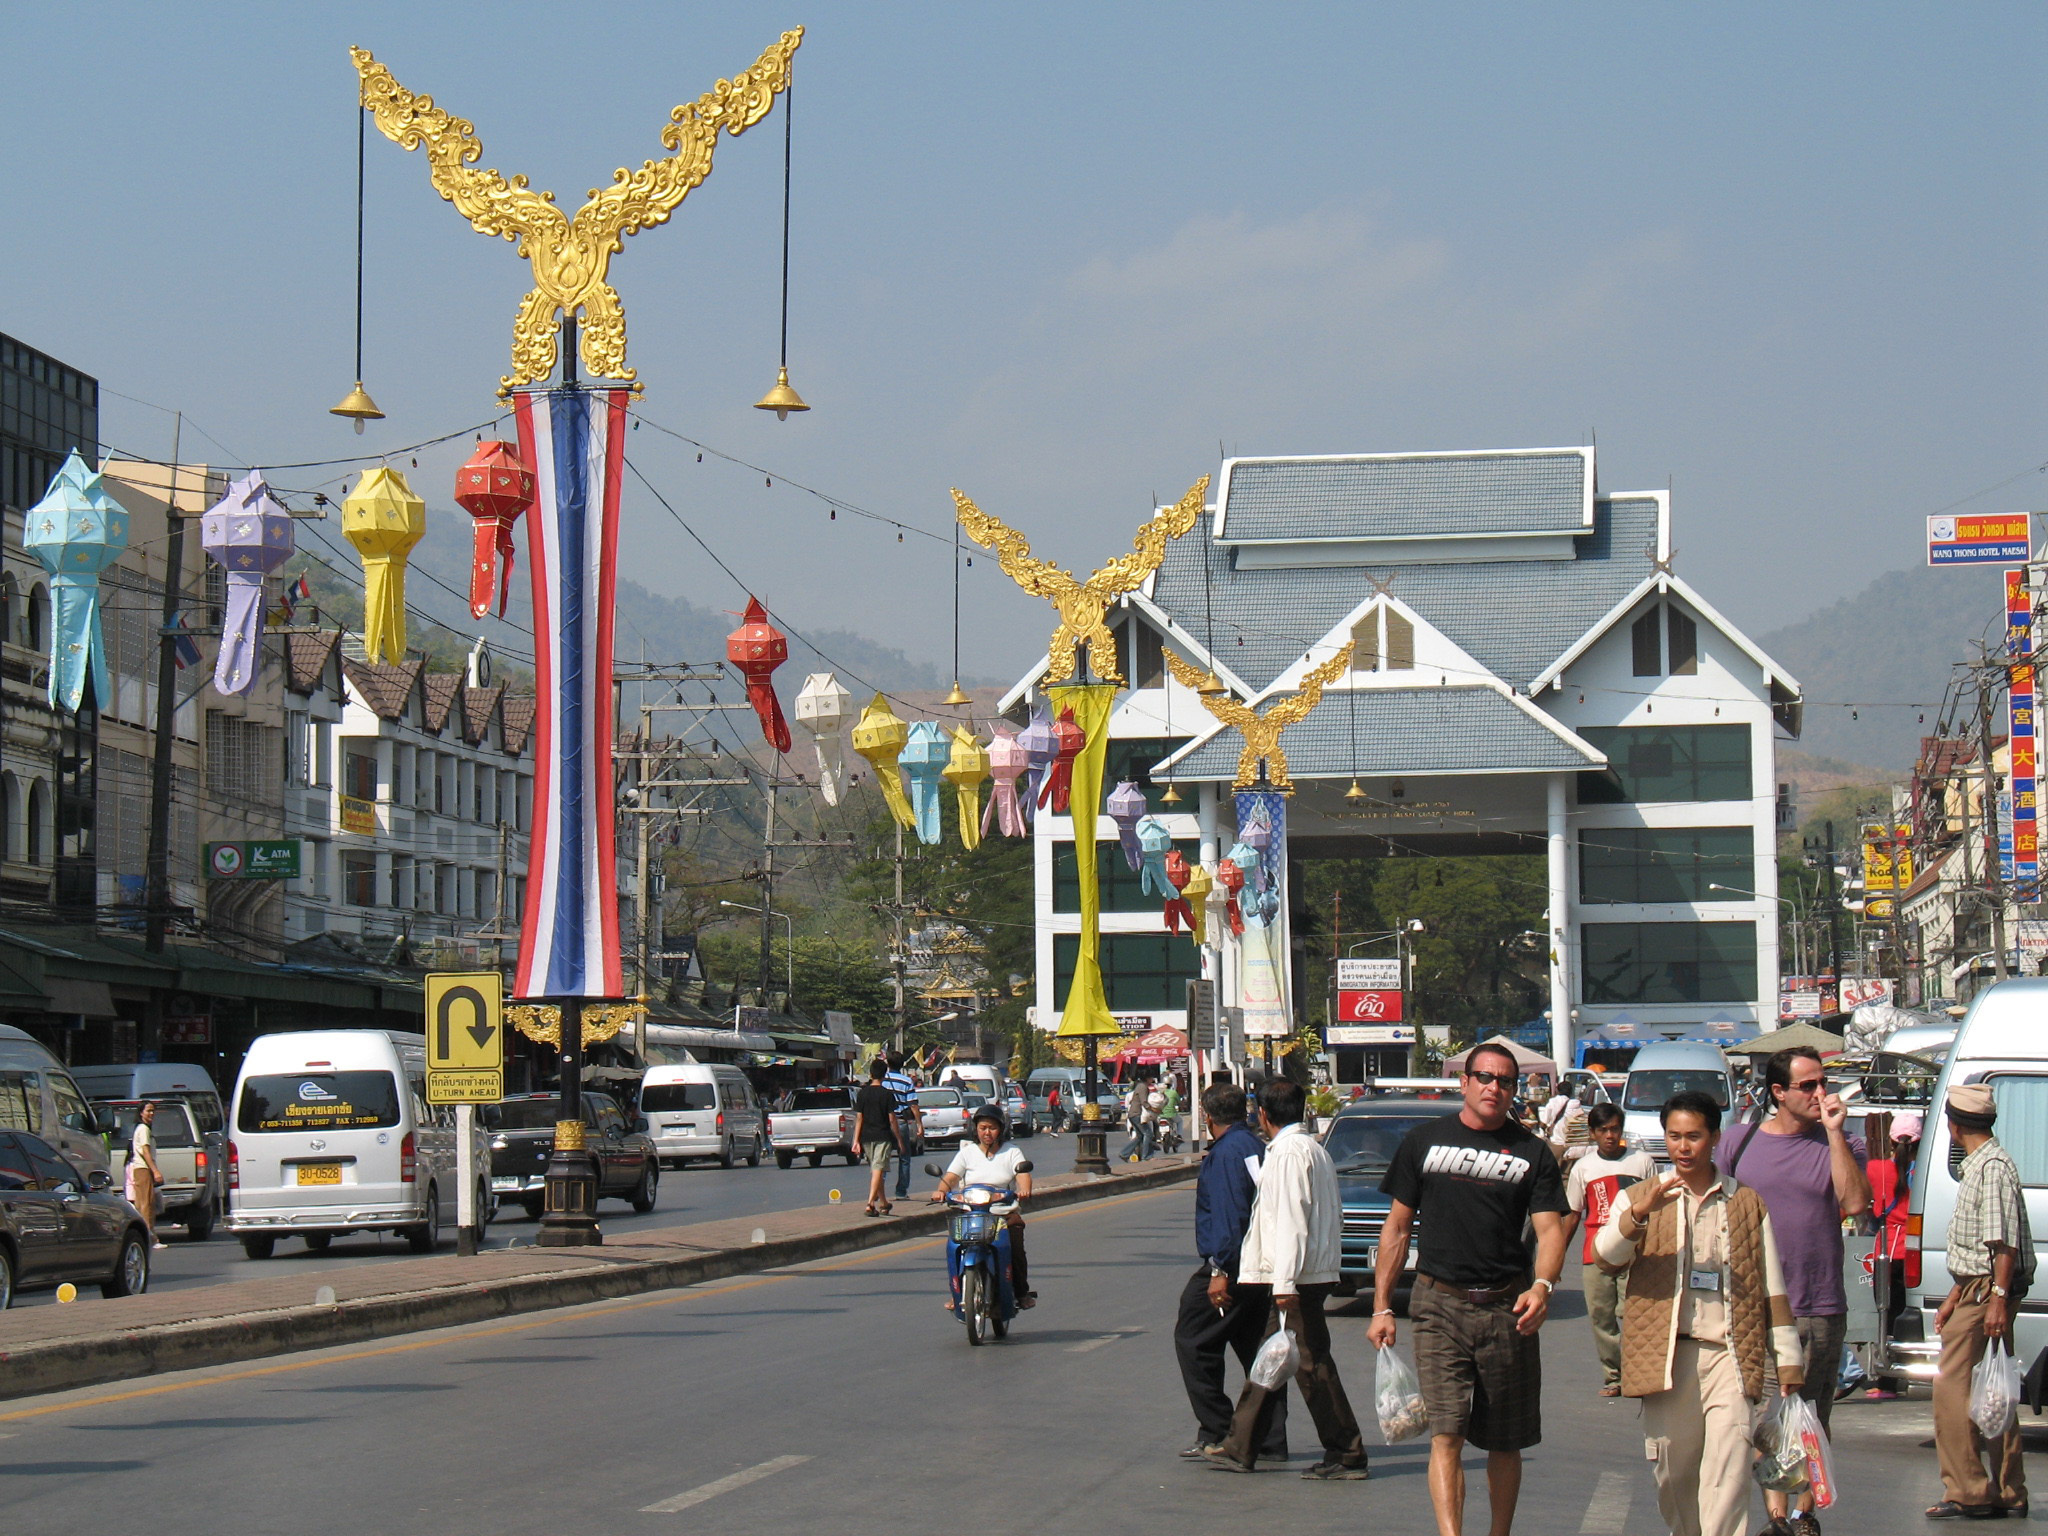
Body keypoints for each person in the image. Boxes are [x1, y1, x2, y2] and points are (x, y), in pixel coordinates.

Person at [1370, 1040, 1569, 1536]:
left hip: (1507, 1309)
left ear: (1515, 1089)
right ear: (1464, 1082)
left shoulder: (1532, 1152)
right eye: (1485, 1077)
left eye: (1505, 1081)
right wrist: (1381, 1307)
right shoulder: (1424, 1142)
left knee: (1505, 1440)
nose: (1494, 1088)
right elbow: (1397, 1229)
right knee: (1447, 1433)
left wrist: (1542, 1286)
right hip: (1439, 1304)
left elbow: (1550, 1232)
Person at [1596, 1090, 1804, 1536]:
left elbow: (1772, 1286)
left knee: (1728, 1473)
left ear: (1715, 1138)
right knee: (1674, 1474)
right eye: (1674, 1137)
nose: (1683, 1147)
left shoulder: (1745, 1202)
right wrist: (1640, 1215)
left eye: (1693, 1136)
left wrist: (1788, 1360)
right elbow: (1605, 1257)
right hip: (1666, 1360)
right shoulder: (1640, 1197)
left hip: (1731, 1357)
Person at [1716, 1045, 1870, 1536]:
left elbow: (1854, 1203)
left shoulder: (1842, 1144)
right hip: (1755, 1307)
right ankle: (1776, 1517)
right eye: (1808, 1085)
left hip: (1819, 1303)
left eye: (1824, 1083)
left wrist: (1834, 1132)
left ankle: (1805, 1515)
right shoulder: (1739, 1143)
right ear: (1779, 1092)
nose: (1820, 1093)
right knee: (1766, 1417)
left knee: (1812, 1417)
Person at [1205, 1078, 1368, 1480]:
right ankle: (1241, 1445)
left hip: (1297, 1278)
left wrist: (1284, 1283)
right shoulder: (1310, 1149)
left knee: (1311, 1366)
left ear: (1263, 1114)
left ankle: (1346, 1451)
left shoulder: (1290, 1154)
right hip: (1302, 1273)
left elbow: (1291, 1221)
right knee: (1271, 1358)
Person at [1926, 1083, 2032, 1521]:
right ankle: (2007, 1490)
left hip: (1987, 1291)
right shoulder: (1984, 1165)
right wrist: (1954, 1295)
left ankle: (1969, 1490)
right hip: (1976, 1289)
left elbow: (2002, 1244)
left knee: (1952, 1390)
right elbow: (1979, 1249)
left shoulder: (1991, 1167)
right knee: (1993, 1390)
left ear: (1954, 1126)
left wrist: (1997, 1300)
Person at [1174, 1080, 1288, 1462]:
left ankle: (1220, 1428)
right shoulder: (1255, 1146)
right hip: (1260, 1267)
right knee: (1257, 1352)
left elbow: (1229, 1213)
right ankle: (1267, 1437)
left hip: (1234, 1265)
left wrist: (1220, 1268)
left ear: (1207, 1117)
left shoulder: (1225, 1154)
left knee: (1193, 1340)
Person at [1561, 1102, 1657, 1396]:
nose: (1610, 1136)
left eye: (1615, 1129)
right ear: (1592, 1133)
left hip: (1634, 1253)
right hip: (1596, 1254)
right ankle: (1614, 1377)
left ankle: (1638, 1374)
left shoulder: (1642, 1162)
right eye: (1603, 1130)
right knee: (1601, 1318)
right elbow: (1573, 1214)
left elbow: (1656, 1209)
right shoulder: (1583, 1168)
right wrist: (1556, 1257)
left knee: (1635, 1315)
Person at [930, 1104, 1035, 1309]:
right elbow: (951, 1177)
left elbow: (1023, 1175)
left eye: (992, 1128)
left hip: (1002, 1214)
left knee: (1015, 1247)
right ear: (975, 1129)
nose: (987, 1132)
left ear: (1001, 1130)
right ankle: (957, 1292)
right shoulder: (967, 1153)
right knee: (954, 1248)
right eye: (983, 1128)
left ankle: (1021, 1292)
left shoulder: (1012, 1152)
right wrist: (941, 1190)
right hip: (970, 1214)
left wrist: (1024, 1189)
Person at [1865, 1110, 1921, 1400]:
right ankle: (1910, 1371)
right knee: (1908, 1315)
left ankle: (1887, 1380)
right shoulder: (1922, 1172)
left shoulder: (1876, 1169)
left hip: (1886, 1250)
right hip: (1914, 1249)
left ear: (1890, 1141)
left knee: (1885, 1317)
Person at [851, 1058, 902, 1217]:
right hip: (882, 1136)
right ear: (884, 1075)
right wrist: (899, 1139)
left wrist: (856, 1140)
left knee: (876, 1170)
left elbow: (859, 1118)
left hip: (866, 1137)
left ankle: (884, 1203)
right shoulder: (887, 1094)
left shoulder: (862, 1093)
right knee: (878, 1169)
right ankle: (870, 1203)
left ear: (871, 1074)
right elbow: (892, 1119)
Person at [883, 1053, 922, 1203]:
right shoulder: (906, 1081)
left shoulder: (882, 1080)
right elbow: (913, 1105)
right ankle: (901, 1191)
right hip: (900, 1122)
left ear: (888, 1063)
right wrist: (919, 1125)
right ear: (902, 1065)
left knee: (882, 1158)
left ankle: (879, 1189)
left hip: (884, 1123)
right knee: (904, 1157)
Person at [126, 1100, 165, 1249]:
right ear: (141, 1113)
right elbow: (145, 1152)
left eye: (153, 1111)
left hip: (141, 1169)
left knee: (144, 1203)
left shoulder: (143, 1129)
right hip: (143, 1169)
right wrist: (155, 1170)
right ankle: (149, 1237)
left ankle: (148, 1235)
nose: (151, 1113)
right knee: (146, 1204)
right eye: (148, 1111)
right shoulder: (143, 1129)